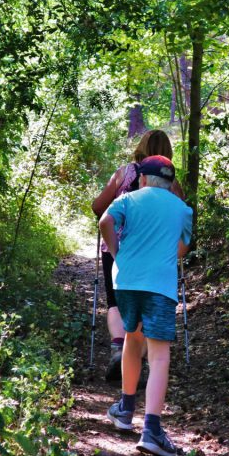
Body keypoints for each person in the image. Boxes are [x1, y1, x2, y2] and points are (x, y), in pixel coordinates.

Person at [101, 155, 192, 456]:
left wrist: (117, 252)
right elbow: (181, 250)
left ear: (142, 179)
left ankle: (125, 409)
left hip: (125, 281)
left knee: (132, 338)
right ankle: (151, 429)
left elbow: (105, 221)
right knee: (159, 354)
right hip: (159, 285)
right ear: (169, 182)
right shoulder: (182, 209)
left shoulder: (128, 200)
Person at [92, 130, 184, 382]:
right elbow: (181, 212)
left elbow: (98, 207)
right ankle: (137, 357)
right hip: (154, 249)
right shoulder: (170, 180)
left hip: (116, 246)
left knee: (115, 302)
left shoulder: (124, 173)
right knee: (145, 301)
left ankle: (118, 348)